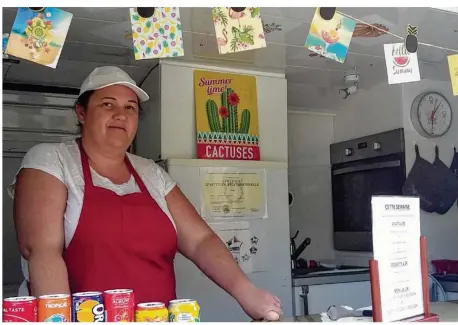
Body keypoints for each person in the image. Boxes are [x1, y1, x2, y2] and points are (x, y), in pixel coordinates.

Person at [10, 66, 282, 321]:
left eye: (130, 108)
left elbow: (200, 241)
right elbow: (43, 251)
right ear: (81, 112)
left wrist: (248, 293)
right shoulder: (52, 159)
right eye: (108, 104)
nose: (121, 114)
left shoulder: (151, 173)